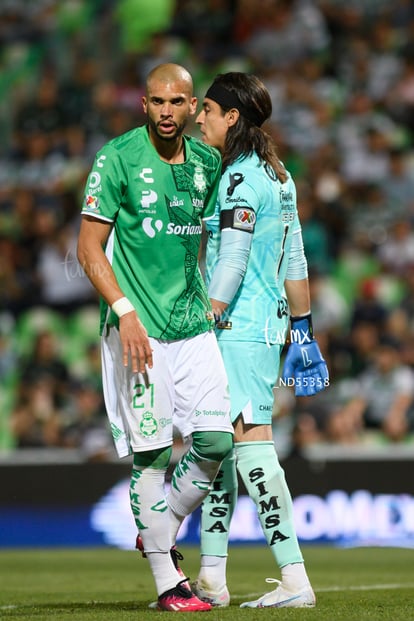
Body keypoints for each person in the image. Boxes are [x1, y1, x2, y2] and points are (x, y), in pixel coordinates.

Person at [77, 63, 234, 612]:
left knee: (217, 443)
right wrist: (123, 312)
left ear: (193, 108)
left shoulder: (208, 163)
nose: (167, 111)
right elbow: (89, 249)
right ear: (143, 104)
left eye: (178, 102)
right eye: (157, 101)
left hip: (193, 328)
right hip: (136, 331)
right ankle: (169, 583)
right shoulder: (117, 158)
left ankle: (159, 525)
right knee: (150, 455)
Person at [192, 72, 329, 609]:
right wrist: (303, 326)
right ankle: (211, 576)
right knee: (223, 449)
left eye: (207, 109)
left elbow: (232, 258)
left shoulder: (238, 180)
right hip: (267, 326)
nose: (198, 118)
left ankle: (294, 578)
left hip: (236, 328)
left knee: (249, 446)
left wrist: (208, 314)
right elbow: (293, 258)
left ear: (231, 117)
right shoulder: (278, 176)